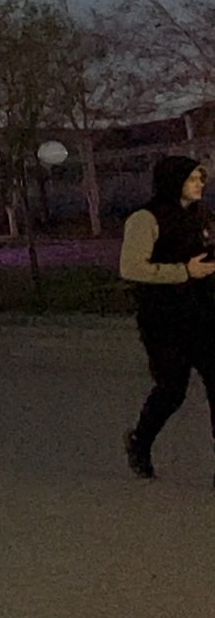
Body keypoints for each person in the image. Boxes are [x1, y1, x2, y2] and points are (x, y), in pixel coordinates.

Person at [120, 156, 214, 481]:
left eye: (201, 178)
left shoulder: (201, 215)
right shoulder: (145, 219)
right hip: (164, 319)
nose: (200, 183)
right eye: (193, 179)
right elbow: (131, 267)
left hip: (203, 315)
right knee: (172, 389)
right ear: (174, 182)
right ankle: (140, 441)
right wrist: (183, 272)